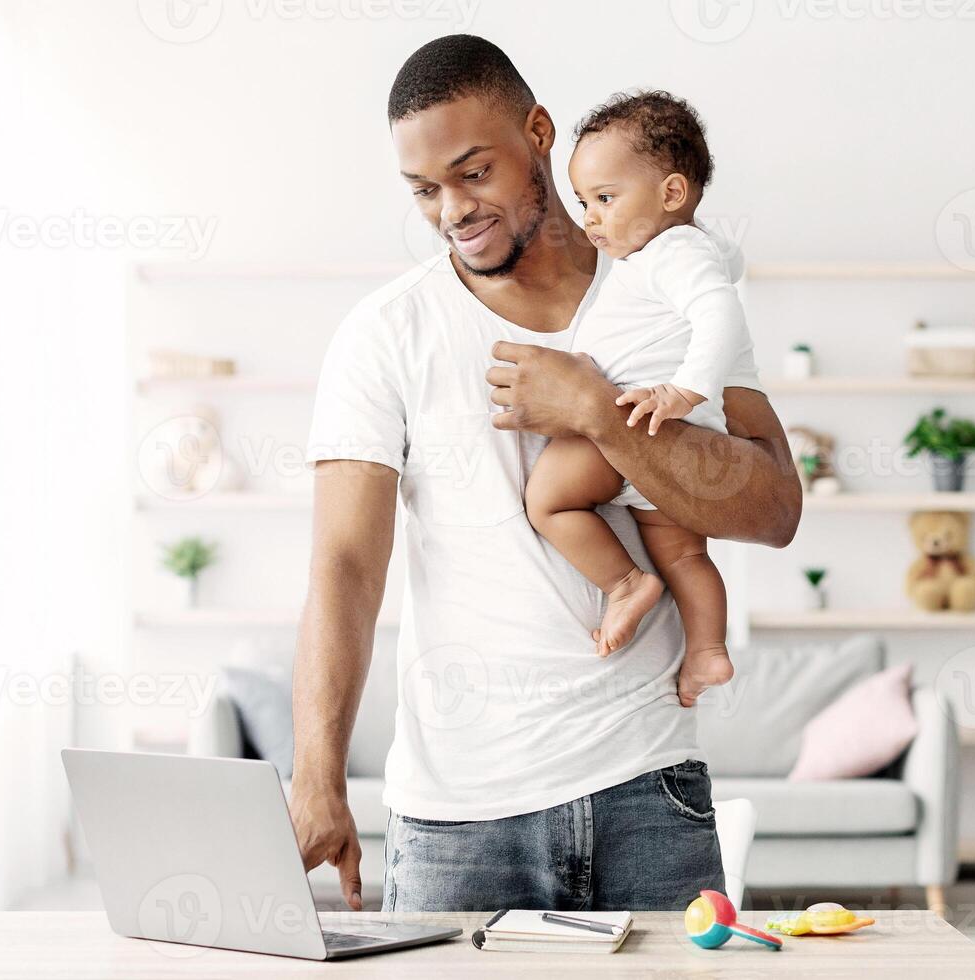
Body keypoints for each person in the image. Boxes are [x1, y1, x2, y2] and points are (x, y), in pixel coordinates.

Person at [290, 34, 800, 913]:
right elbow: (345, 565)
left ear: (537, 133)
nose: (453, 209)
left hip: (647, 788)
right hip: (457, 820)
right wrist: (317, 777)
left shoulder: (676, 289)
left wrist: (599, 412)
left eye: (474, 172)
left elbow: (773, 506)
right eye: (424, 191)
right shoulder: (385, 333)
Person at [526, 89, 747, 708]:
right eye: (582, 201)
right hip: (668, 443)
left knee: (547, 500)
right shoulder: (686, 252)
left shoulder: (671, 252)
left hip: (636, 423)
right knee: (685, 555)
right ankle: (706, 651)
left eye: (604, 198)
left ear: (672, 195)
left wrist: (685, 390)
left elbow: (719, 313)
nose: (589, 217)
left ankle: (624, 583)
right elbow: (726, 273)